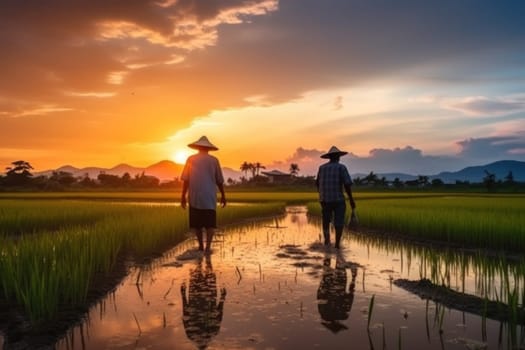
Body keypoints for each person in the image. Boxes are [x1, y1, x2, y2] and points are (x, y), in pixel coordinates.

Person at [181, 136, 226, 252]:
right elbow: (219, 180)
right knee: (210, 225)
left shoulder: (191, 159)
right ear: (208, 148)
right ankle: (208, 247)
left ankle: (201, 246)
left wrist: (183, 196)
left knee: (197, 225)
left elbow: (186, 179)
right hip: (209, 198)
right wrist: (223, 196)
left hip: (195, 197)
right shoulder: (214, 160)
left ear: (198, 147)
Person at [181, 254, 226, 349]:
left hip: (200, 297)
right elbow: (185, 313)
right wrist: (183, 295)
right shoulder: (194, 334)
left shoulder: (210, 332)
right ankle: (203, 252)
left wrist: (222, 298)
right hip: (204, 297)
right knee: (204, 267)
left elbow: (185, 313)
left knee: (203, 267)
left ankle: (202, 252)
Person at [315, 146, 356, 249]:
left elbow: (317, 183)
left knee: (326, 221)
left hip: (325, 200)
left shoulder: (322, 168)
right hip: (338, 200)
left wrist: (321, 195)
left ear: (329, 157)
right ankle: (337, 245)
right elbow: (347, 185)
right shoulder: (341, 167)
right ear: (338, 157)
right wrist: (351, 200)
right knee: (339, 222)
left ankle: (327, 243)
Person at [317, 254, 357, 333]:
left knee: (336, 265)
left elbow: (350, 295)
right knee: (331, 266)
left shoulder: (343, 315)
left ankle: (330, 250)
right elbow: (319, 297)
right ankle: (332, 251)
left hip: (334, 285)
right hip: (331, 285)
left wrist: (353, 280)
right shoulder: (327, 315)